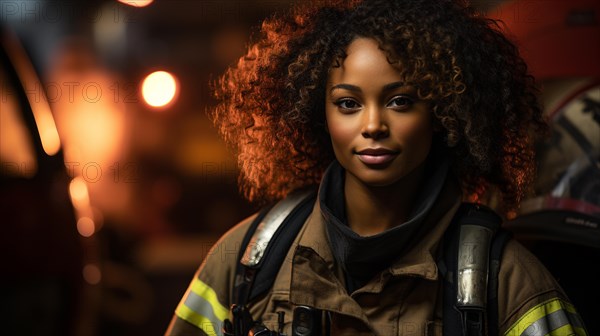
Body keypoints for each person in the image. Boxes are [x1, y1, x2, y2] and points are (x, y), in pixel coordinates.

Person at [166, 0, 588, 335]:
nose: (372, 126)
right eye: (348, 104)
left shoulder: (504, 282)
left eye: (400, 101)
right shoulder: (247, 260)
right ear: (319, 114)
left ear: (444, 113)